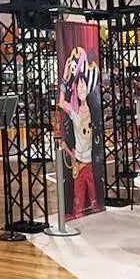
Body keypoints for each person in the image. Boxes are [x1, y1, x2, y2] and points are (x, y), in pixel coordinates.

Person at [57, 47, 102, 218]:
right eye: (79, 85)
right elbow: (61, 102)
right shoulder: (75, 113)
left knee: (95, 202)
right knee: (79, 202)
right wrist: (65, 76)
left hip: (92, 164)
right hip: (80, 164)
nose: (81, 88)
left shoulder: (94, 110)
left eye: (84, 84)